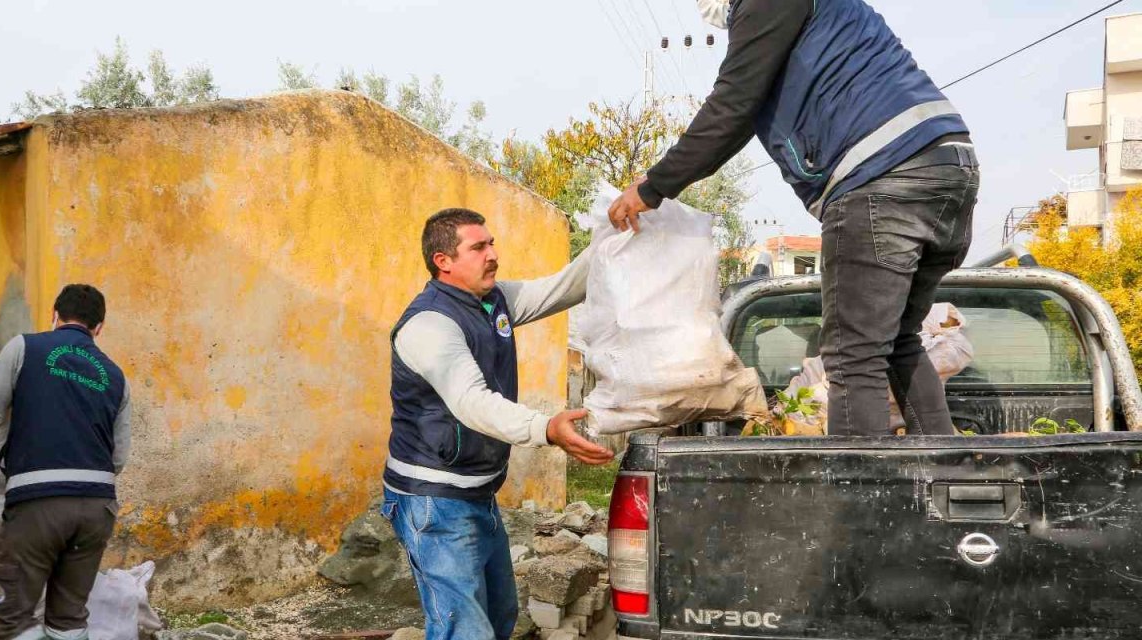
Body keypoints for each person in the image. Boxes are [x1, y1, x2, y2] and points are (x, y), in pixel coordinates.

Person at [609, 0, 980, 436]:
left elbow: (732, 106)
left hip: (883, 173)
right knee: (898, 341)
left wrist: (652, 187)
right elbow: (744, 107)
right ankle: (944, 471)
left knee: (853, 357)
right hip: (945, 167)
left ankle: (862, 500)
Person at [383, 208, 614, 639]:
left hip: (477, 492)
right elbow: (472, 402)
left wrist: (619, 227)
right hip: (433, 500)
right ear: (443, 261)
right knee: (465, 631)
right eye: (479, 247)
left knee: (501, 615)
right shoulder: (429, 324)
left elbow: (563, 287)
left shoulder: (494, 301)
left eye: (491, 244)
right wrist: (545, 428)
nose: (493, 254)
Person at [0, 284, 131, 640]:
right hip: (97, 509)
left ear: (54, 315)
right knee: (68, 619)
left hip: (38, 503)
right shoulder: (116, 376)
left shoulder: (25, 347)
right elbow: (119, 459)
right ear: (99, 327)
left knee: (12, 617)